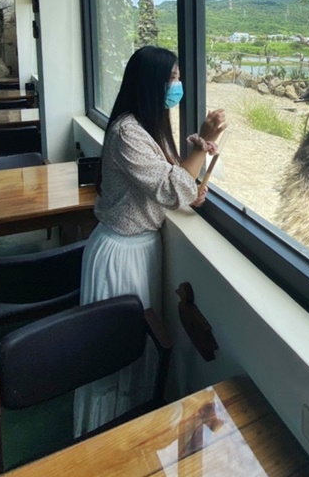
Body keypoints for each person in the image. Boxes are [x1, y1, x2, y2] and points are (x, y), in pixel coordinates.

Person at [74, 45, 226, 436]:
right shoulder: (127, 131)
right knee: (114, 351)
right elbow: (170, 185)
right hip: (120, 253)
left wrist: (191, 179)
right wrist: (201, 145)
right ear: (150, 83)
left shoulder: (147, 127)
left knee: (138, 350)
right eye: (172, 78)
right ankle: (102, 438)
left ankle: (131, 434)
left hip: (140, 250)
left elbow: (173, 186)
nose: (178, 85)